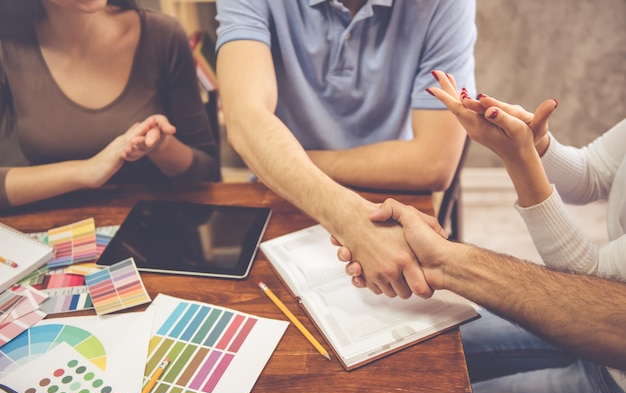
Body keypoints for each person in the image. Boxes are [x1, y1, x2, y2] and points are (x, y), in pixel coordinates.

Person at [338, 69, 626, 393]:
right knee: (401, 347)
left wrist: (520, 162)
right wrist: (538, 147)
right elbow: (593, 173)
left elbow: (589, 286)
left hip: (613, 371)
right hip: (586, 322)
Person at [214, 0, 476, 298]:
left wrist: (282, 159)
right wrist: (351, 220)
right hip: (283, 197)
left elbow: (433, 163)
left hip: (387, 196)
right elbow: (244, 118)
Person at [0, 0, 221, 209]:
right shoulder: (7, 47)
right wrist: (86, 171)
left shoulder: (162, 34)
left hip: (154, 229)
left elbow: (205, 176)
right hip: (54, 234)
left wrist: (161, 146)